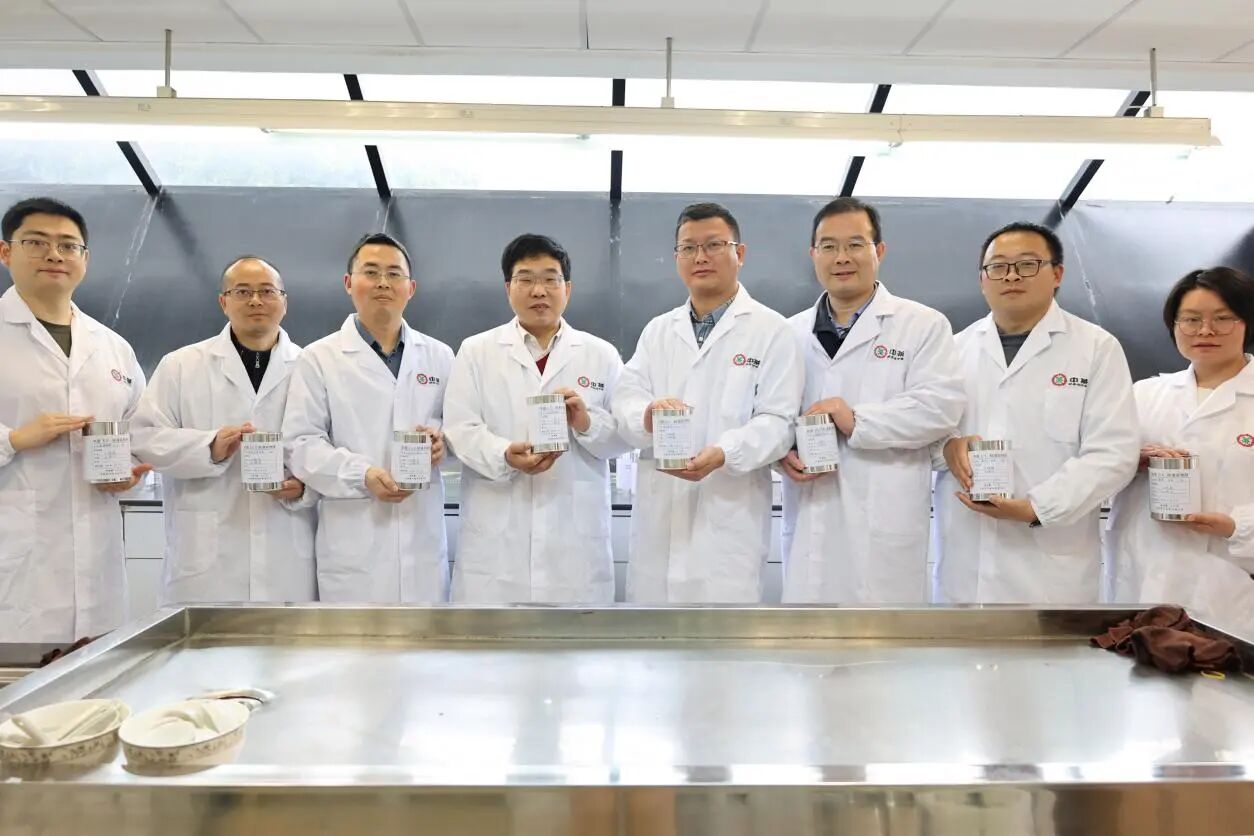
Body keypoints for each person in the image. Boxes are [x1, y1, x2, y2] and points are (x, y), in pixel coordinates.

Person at [934, 221, 1138, 603]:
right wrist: (947, 446)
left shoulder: (1095, 348)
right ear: (982, 279)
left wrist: (1037, 507)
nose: (1011, 276)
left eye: (1027, 264)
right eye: (998, 266)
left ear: (1057, 274)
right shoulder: (953, 350)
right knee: (961, 640)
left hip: (1050, 566)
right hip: (965, 562)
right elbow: (926, 432)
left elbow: (1114, 452)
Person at [611, 202, 803, 603]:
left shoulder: (772, 331)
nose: (700, 257)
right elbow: (626, 396)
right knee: (652, 638)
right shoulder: (658, 331)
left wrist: (725, 452)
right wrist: (645, 416)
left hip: (728, 527)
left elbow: (779, 421)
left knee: (723, 639)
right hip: (659, 528)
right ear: (677, 257)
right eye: (688, 248)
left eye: (714, 245)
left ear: (740, 253)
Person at [778, 197, 964, 603]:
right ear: (813, 255)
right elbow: (771, 412)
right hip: (810, 514)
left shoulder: (922, 325)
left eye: (855, 245)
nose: (841, 257)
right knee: (807, 636)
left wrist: (856, 419)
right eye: (828, 246)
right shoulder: (789, 333)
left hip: (884, 524)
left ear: (879, 250)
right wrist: (780, 452)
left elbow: (940, 407)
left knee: (883, 638)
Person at [444, 234, 631, 602]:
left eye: (550, 279)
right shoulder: (476, 351)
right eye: (525, 279)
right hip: (497, 549)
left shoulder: (602, 355)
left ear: (568, 289)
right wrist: (504, 454)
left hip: (574, 551)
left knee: (573, 638)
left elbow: (624, 437)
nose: (539, 290)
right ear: (508, 288)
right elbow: (460, 429)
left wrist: (586, 422)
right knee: (493, 638)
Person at [0, 197, 148, 642]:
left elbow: (140, 429)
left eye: (68, 245)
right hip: (15, 561)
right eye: (36, 242)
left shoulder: (113, 347)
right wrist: (14, 439)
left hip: (97, 561)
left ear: (84, 259)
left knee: (94, 679)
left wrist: (129, 476)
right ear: (5, 252)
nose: (54, 255)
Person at [131, 256, 316, 604]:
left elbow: (329, 448)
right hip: (207, 560)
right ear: (223, 301)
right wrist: (209, 447)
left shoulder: (312, 367)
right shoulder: (181, 366)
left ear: (284, 301)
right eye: (243, 291)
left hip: (287, 550)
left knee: (286, 639)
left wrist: (305, 486)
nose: (256, 301)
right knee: (205, 639)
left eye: (267, 291)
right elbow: (144, 438)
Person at [283, 232, 452, 602]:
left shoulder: (440, 356)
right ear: (348, 283)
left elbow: (456, 428)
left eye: (394, 273)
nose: (383, 282)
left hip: (421, 540)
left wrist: (443, 443)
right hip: (354, 543)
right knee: (355, 639)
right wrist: (363, 475)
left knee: (424, 638)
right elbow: (301, 444)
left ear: (411, 288)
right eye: (371, 272)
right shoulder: (319, 358)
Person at [1107, 267, 1254, 636]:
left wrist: (1236, 526)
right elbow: (1094, 473)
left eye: (1223, 318)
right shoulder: (1142, 395)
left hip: (1230, 586)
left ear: (1247, 323)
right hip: (1141, 580)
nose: (1205, 331)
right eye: (1190, 319)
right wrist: (1131, 461)